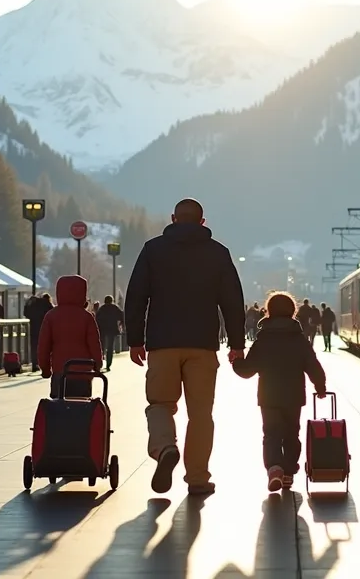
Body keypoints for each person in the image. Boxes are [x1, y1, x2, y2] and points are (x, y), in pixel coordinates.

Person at [125, 198, 245, 496]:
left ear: (173, 219)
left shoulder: (153, 250)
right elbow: (232, 301)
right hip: (202, 345)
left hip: (162, 344)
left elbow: (136, 297)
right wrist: (237, 343)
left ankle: (166, 446)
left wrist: (135, 340)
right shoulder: (218, 253)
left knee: (160, 404)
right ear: (202, 222)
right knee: (201, 413)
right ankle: (197, 478)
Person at [231, 292, 327, 492]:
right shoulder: (299, 339)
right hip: (294, 397)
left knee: (271, 434)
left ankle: (274, 468)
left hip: (269, 396)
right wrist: (320, 386)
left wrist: (236, 362)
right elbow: (313, 365)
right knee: (292, 434)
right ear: (293, 311)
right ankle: (289, 473)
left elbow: (247, 370)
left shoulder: (263, 339)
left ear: (270, 311)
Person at [37, 275, 102, 398]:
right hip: (83, 373)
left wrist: (45, 369)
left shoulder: (51, 316)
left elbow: (43, 346)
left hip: (60, 371)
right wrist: (97, 366)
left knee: (59, 408)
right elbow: (95, 344)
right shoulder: (87, 317)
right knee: (81, 407)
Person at [24, 293, 53, 373]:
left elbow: (26, 313)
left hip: (33, 329)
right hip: (45, 330)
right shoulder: (48, 305)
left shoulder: (34, 305)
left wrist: (28, 303)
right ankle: (44, 364)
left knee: (34, 347)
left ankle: (34, 364)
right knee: (46, 347)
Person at [95, 295, 124, 370]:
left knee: (102, 346)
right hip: (112, 329)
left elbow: (96, 318)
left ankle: (100, 361)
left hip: (103, 330)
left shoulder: (102, 308)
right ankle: (108, 364)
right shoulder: (114, 308)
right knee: (110, 347)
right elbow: (121, 316)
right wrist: (122, 325)